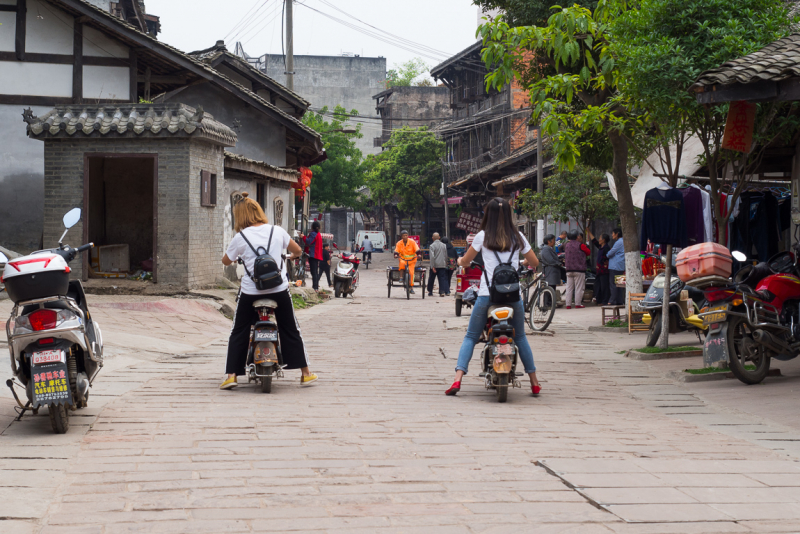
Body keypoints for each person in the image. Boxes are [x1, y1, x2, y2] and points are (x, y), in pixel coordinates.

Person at [445, 197, 542, 397]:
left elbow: (466, 261)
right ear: (509, 214)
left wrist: (461, 260)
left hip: (487, 295)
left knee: (471, 336)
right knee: (521, 337)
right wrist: (520, 262)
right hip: (513, 296)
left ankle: (457, 380)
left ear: (487, 214)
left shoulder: (482, 236)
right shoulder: (518, 236)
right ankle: (534, 382)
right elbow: (535, 261)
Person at [220, 192, 318, 390]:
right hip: (278, 290)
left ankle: (231, 375)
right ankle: (305, 373)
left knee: (238, 331)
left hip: (250, 293)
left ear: (240, 216)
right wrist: (289, 256)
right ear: (259, 212)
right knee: (291, 328)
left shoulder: (240, 237)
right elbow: (298, 251)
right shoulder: (277, 231)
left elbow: (226, 261)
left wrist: (238, 256)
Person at [564, 230, 590, 309]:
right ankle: (578, 304)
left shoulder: (566, 245)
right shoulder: (581, 245)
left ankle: (568, 304)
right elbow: (588, 252)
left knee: (569, 288)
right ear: (577, 237)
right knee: (579, 287)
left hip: (568, 269)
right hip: (579, 269)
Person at [587, 229, 610, 305]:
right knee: (597, 285)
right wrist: (589, 231)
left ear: (603, 240)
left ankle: (604, 301)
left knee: (604, 286)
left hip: (604, 270)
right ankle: (599, 299)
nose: (599, 239)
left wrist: (605, 263)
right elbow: (594, 241)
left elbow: (607, 258)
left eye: (600, 238)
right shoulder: (600, 246)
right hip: (599, 270)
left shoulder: (606, 248)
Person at [607, 227, 626, 306]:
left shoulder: (618, 242)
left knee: (613, 284)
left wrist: (610, 252)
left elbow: (609, 254)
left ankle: (612, 300)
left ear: (617, 234)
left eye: (613, 234)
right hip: (621, 265)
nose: (612, 235)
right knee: (620, 284)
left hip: (615, 266)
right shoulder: (623, 241)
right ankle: (619, 300)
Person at [303, 221, 323, 291]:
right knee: (315, 272)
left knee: (313, 272)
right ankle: (316, 286)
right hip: (317, 255)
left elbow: (308, 241)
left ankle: (315, 287)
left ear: (312, 227)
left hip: (313, 255)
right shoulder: (318, 234)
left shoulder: (313, 234)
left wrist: (303, 237)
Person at [427, 233, 449, 297]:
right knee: (442, 278)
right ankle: (442, 291)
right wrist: (445, 263)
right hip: (442, 264)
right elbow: (445, 255)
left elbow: (432, 257)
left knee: (431, 278)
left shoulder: (432, 246)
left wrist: (432, 266)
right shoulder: (444, 245)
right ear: (439, 237)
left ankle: (430, 291)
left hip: (435, 265)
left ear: (432, 238)